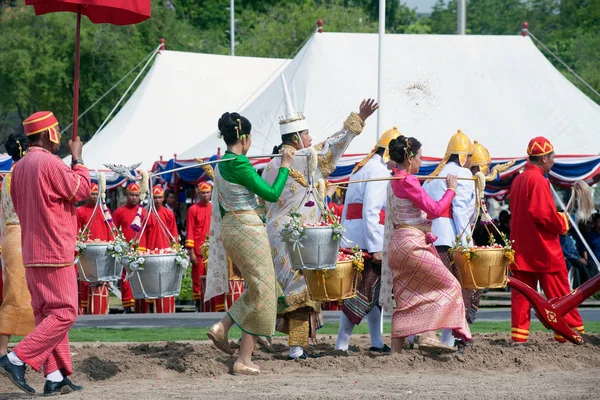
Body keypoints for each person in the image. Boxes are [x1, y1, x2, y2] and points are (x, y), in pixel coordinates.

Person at [262, 75, 378, 360]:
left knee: (295, 289)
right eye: (308, 134)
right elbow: (334, 144)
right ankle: (296, 349)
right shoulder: (306, 159)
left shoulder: (271, 164)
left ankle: (290, 345)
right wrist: (358, 118)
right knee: (301, 290)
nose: (312, 139)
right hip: (297, 236)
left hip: (280, 234)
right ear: (297, 139)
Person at [0, 111, 89, 395]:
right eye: (58, 131)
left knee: (46, 315)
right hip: (55, 249)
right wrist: (78, 159)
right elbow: (82, 190)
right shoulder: (50, 163)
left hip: (31, 250)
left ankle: (53, 376)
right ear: (49, 134)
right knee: (64, 313)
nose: (61, 137)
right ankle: (16, 358)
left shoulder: (21, 166)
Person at [205, 111, 295, 375]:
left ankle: (223, 325)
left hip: (233, 229)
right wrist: (285, 166)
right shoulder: (239, 164)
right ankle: (243, 359)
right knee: (265, 293)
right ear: (243, 138)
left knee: (260, 288)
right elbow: (271, 193)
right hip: (247, 229)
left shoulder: (223, 163)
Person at [379, 135, 471, 353]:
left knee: (406, 300)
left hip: (397, 246)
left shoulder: (392, 181)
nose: (422, 162)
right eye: (420, 157)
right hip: (412, 245)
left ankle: (395, 354)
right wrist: (451, 189)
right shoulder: (408, 181)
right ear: (409, 159)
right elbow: (436, 210)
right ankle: (427, 335)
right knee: (450, 285)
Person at [509, 136, 584, 343]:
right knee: (560, 293)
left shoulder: (518, 179)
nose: (553, 162)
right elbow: (542, 215)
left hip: (521, 248)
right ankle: (570, 333)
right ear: (543, 158)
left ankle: (519, 338)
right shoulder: (539, 180)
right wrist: (562, 223)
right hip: (543, 248)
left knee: (522, 295)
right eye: (552, 158)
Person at [334, 127, 401, 353]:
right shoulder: (377, 170)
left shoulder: (363, 167)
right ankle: (342, 344)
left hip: (356, 237)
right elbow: (371, 211)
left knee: (374, 293)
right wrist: (376, 247)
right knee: (361, 293)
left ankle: (375, 341)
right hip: (366, 240)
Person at [423, 130, 475, 346]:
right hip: (450, 240)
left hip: (430, 237)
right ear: (463, 157)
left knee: (433, 290)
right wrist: (467, 245)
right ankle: (447, 340)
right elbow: (460, 212)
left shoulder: (435, 173)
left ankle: (427, 336)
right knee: (455, 291)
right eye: (469, 156)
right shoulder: (464, 175)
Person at [0, 133, 35, 356]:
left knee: (17, 294)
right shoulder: (23, 176)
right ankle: (4, 351)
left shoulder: (8, 177)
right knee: (20, 295)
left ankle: (8, 350)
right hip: (24, 235)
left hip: (11, 236)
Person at [76, 183, 113, 315]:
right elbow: (77, 231)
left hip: (103, 253)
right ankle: (83, 311)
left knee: (102, 281)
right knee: (85, 281)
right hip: (87, 253)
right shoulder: (80, 211)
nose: (95, 196)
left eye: (97, 194)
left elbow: (111, 230)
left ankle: (101, 312)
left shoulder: (105, 210)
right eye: (92, 193)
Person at [113, 183, 147, 313]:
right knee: (126, 278)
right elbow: (114, 232)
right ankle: (127, 307)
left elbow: (148, 231)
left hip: (141, 249)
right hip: (126, 250)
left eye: (136, 195)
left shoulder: (144, 212)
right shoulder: (118, 212)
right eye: (131, 195)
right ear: (127, 195)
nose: (134, 198)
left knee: (142, 278)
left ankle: (142, 308)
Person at [144, 185, 179, 313]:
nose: (157, 200)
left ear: (163, 198)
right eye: (155, 197)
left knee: (166, 282)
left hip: (166, 253)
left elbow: (174, 233)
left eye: (160, 197)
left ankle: (166, 310)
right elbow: (142, 235)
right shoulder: (145, 213)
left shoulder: (168, 213)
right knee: (150, 282)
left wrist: (175, 251)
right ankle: (151, 310)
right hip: (150, 253)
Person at [185, 182, 213, 312]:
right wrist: (191, 252)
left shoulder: (214, 208)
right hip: (198, 251)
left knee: (212, 278)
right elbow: (190, 229)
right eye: (203, 193)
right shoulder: (193, 209)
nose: (205, 195)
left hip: (213, 251)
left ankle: (211, 304)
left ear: (211, 193)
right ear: (198, 193)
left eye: (207, 192)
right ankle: (198, 304)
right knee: (197, 279)